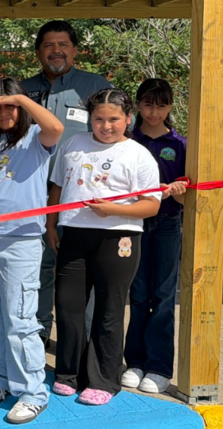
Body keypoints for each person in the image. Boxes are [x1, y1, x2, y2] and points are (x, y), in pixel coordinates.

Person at [48, 89, 162, 405]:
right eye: (99, 119)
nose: (106, 126)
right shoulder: (73, 145)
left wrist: (114, 210)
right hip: (73, 235)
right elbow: (58, 186)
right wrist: (50, 225)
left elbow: (151, 205)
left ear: (128, 118)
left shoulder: (138, 154)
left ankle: (104, 380)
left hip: (118, 238)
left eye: (113, 119)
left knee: (108, 310)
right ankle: (68, 374)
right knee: (68, 306)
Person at [0, 78, 63, 425]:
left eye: (11, 106)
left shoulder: (35, 139)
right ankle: (2, 379)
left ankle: (34, 392)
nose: (4, 113)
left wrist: (21, 96)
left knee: (20, 319)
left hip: (20, 242)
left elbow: (56, 126)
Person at [22, 20, 113, 343]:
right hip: (31, 196)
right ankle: (36, 337)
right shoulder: (22, 90)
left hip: (79, 199)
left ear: (75, 49)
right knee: (37, 271)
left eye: (63, 45)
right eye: (48, 45)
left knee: (79, 275)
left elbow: (113, 138)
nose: (56, 51)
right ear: (38, 52)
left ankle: (82, 344)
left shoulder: (95, 87)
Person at [122, 79, 188, 394]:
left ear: (170, 107)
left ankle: (159, 367)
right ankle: (134, 361)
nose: (154, 111)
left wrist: (178, 192)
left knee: (163, 296)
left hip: (167, 225)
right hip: (132, 225)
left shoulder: (181, 145)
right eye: (148, 104)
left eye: (161, 105)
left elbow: (191, 199)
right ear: (137, 105)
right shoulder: (125, 141)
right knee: (137, 294)